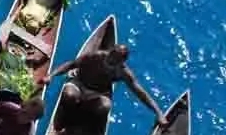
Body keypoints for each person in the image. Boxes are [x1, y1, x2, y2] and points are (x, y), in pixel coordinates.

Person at [38, 43, 167, 126]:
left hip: (97, 93)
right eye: (110, 57)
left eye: (114, 62)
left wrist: (159, 113)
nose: (110, 62)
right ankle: (64, 115)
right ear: (109, 52)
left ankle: (81, 119)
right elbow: (71, 64)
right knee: (69, 95)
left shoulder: (123, 73)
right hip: (80, 83)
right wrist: (51, 76)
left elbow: (140, 93)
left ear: (121, 63)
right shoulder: (95, 56)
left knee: (105, 106)